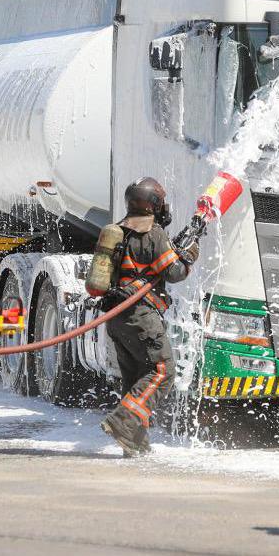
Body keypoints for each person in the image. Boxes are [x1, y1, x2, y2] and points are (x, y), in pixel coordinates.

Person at [99, 177, 197, 457]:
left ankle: (135, 443)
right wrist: (189, 256)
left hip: (117, 318)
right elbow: (174, 273)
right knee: (161, 372)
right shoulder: (153, 235)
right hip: (141, 316)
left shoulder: (117, 231)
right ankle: (123, 422)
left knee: (136, 380)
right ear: (152, 204)